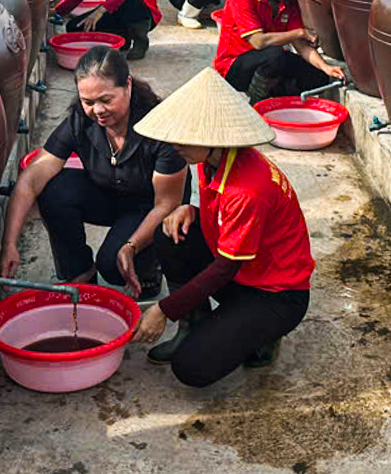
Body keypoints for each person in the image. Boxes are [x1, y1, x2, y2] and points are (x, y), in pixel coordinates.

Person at [131, 68, 314, 385]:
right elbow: (218, 215)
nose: (175, 145)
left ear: (214, 137)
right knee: (170, 232)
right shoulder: (209, 160)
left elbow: (224, 270)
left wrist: (164, 309)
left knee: (192, 368)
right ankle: (196, 322)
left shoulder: (248, 190)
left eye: (184, 137)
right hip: (244, 270)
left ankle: (262, 334)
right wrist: (190, 208)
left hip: (274, 294)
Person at [0, 47, 186, 300]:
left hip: (150, 206)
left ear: (128, 85)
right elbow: (31, 178)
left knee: (113, 265)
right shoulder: (81, 119)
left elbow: (166, 204)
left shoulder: (160, 127)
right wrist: (8, 243)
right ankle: (81, 273)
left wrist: (130, 247)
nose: (97, 110)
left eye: (106, 100)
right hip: (109, 192)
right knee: (54, 189)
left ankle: (150, 270)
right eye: (88, 102)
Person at [214, 0, 345, 104]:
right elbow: (258, 41)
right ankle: (256, 103)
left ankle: (277, 96)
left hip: (268, 61)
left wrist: (325, 67)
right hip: (234, 66)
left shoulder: (289, 2)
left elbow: (301, 46)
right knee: (276, 56)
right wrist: (300, 33)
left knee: (318, 77)